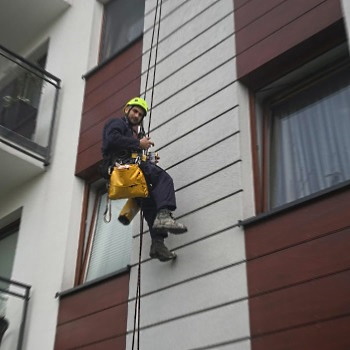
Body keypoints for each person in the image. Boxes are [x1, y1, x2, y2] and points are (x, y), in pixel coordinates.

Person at [101, 97, 187, 262]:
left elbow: (131, 150)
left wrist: (148, 157)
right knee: (164, 179)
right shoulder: (116, 124)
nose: (136, 115)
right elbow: (112, 140)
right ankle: (164, 217)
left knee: (149, 203)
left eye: (140, 114)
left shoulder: (133, 133)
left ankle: (157, 244)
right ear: (127, 109)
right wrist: (138, 143)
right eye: (135, 111)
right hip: (125, 169)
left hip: (129, 172)